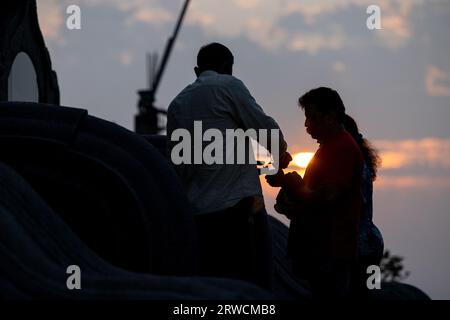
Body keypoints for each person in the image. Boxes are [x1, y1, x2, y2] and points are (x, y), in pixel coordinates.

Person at [167, 42, 291, 289]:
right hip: (238, 208)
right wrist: (280, 155)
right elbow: (264, 128)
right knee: (249, 285)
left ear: (196, 70)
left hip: (198, 214)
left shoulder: (177, 104)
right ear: (227, 67)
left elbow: (179, 164)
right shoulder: (228, 85)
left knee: (212, 287)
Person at [267, 87, 363, 298]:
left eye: (312, 117)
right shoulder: (330, 148)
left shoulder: (341, 148)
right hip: (322, 251)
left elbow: (328, 196)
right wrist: (287, 184)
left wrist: (291, 184)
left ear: (330, 117)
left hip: (329, 251)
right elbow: (316, 194)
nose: (306, 124)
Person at [342, 114, 384, 295]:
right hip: (373, 243)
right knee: (370, 292)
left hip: (357, 245)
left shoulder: (351, 165)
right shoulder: (362, 163)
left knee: (358, 293)